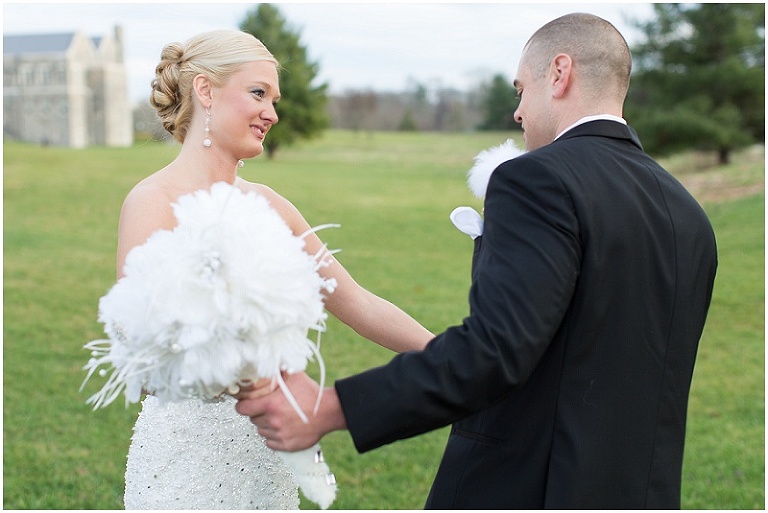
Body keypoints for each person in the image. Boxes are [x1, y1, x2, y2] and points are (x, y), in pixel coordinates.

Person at [235, 13, 718, 509]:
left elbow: (495, 351)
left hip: (527, 487)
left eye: (520, 90)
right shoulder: (688, 213)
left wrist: (330, 406)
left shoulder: (536, 179)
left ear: (559, 73)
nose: (518, 113)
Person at [118, 29, 434, 509]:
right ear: (205, 90)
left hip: (268, 458)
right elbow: (143, 354)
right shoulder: (153, 202)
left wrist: (460, 359)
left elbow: (360, 304)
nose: (272, 113)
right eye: (258, 93)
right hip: (186, 463)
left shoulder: (270, 205)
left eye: (274, 98)